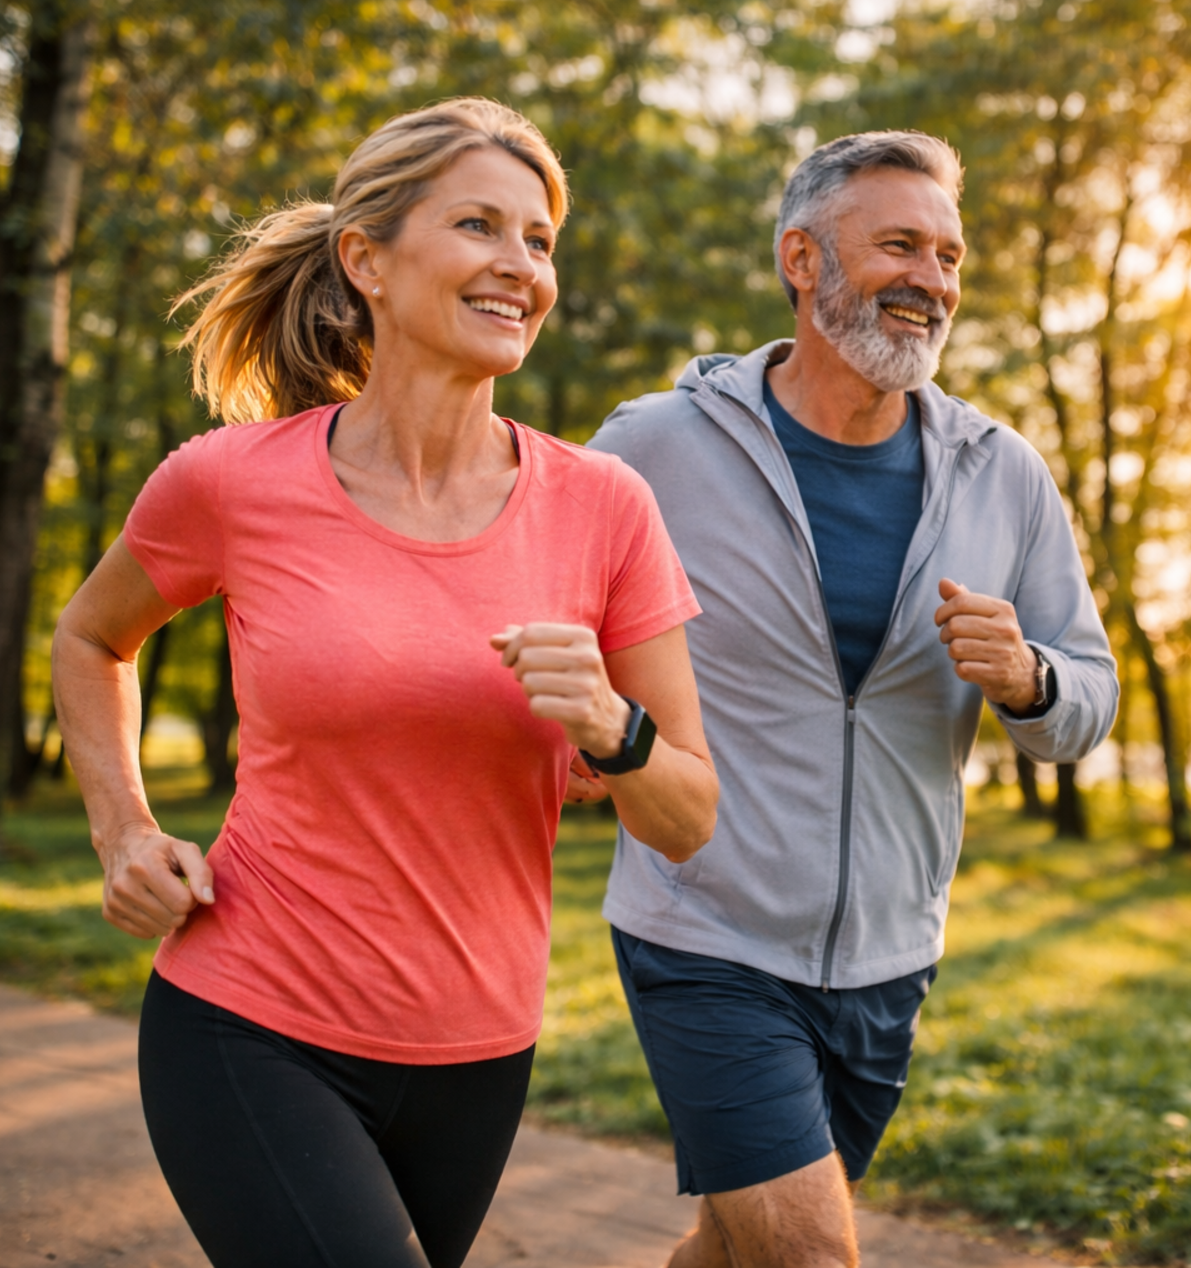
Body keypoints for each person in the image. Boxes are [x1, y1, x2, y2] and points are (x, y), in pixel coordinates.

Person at [51, 98, 717, 1268]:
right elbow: (92, 637)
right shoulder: (231, 482)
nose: (521, 266)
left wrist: (613, 728)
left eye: (539, 240)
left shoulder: (605, 508)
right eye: (478, 225)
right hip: (249, 1015)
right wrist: (125, 830)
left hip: (479, 1049)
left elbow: (689, 815)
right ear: (366, 258)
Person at [584, 131, 1119, 1268]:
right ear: (801, 259)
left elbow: (1091, 693)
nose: (933, 279)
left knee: (735, 1245)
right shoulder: (657, 446)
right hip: (705, 929)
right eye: (901, 246)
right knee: (808, 1254)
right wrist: (586, 739)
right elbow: (546, 607)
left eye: (950, 256)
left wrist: (1029, 677)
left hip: (888, 952)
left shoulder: (1002, 471)